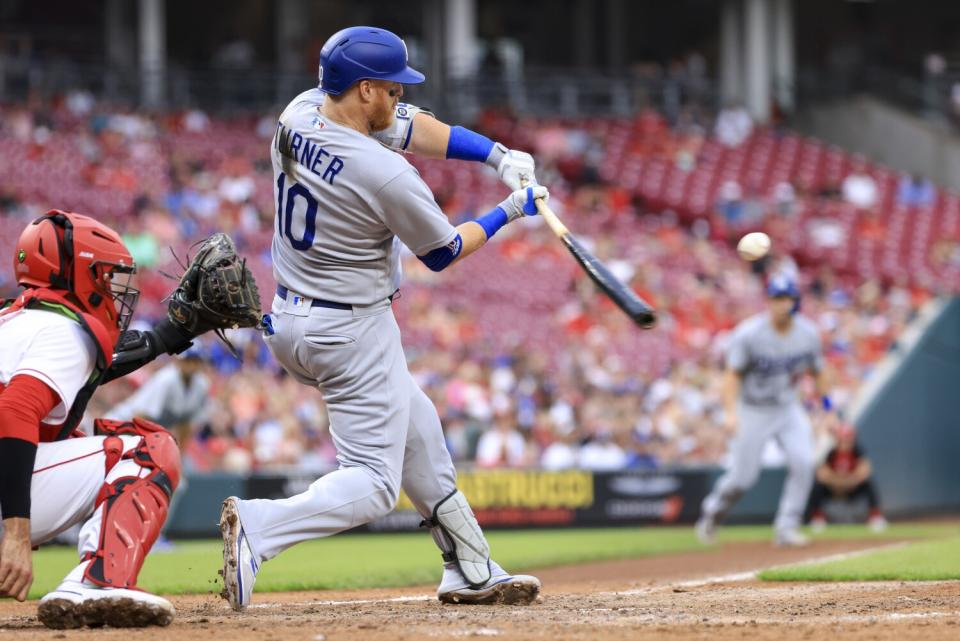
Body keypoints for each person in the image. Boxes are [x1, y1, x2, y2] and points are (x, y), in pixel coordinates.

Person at [218, 26, 544, 610]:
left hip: (290, 316)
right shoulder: (385, 172)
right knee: (373, 483)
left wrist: (495, 155)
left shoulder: (299, 111)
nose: (400, 97)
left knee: (420, 430)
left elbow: (409, 126)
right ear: (365, 89)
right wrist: (510, 208)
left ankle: (470, 564)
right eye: (392, 88)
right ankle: (260, 530)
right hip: (349, 328)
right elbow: (442, 252)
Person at [0, 212, 251, 628]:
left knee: (67, 436)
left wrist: (172, 332)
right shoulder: (63, 330)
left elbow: (101, 363)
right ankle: (96, 581)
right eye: (105, 276)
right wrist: (16, 533)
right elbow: (14, 411)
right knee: (147, 449)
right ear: (79, 274)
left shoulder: (17, 319)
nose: (114, 289)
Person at [695, 273, 832, 547]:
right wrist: (731, 413)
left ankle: (787, 527)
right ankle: (712, 514)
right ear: (767, 301)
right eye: (776, 298)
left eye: (787, 298)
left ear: (796, 301)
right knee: (743, 479)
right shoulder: (749, 334)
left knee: (804, 462)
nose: (782, 304)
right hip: (753, 410)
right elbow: (732, 376)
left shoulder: (807, 333)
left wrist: (828, 408)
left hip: (787, 408)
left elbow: (819, 373)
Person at [808, 422, 887, 532]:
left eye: (848, 439)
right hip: (834, 489)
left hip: (852, 488)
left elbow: (865, 471)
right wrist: (839, 482)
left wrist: (846, 481)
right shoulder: (831, 453)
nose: (845, 443)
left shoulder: (858, 451)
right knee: (817, 486)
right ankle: (817, 518)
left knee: (868, 484)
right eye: (842, 439)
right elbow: (822, 474)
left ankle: (875, 516)